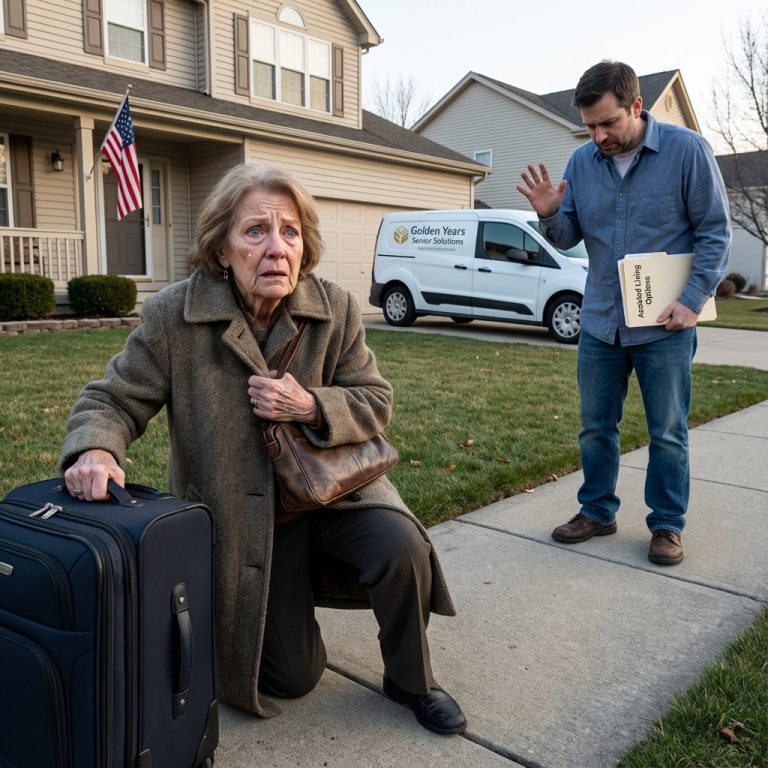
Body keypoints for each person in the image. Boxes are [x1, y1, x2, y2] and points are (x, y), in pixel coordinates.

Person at [60, 163, 467, 735]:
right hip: (244, 522)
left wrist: (312, 406)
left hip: (333, 493)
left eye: (291, 232)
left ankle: (411, 679)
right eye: (256, 231)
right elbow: (112, 399)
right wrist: (97, 450)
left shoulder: (336, 309)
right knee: (292, 678)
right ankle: (293, 603)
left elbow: (375, 399)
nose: (277, 247)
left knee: (402, 545)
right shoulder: (174, 318)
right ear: (222, 248)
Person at [517, 61, 730, 565]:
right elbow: (568, 236)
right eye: (590, 125)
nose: (598, 135)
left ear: (636, 106)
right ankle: (596, 510)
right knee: (595, 427)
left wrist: (693, 299)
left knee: (667, 431)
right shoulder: (582, 162)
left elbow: (715, 233)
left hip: (666, 324)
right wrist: (549, 214)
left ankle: (666, 525)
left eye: (608, 123)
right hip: (600, 321)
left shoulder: (687, 152)